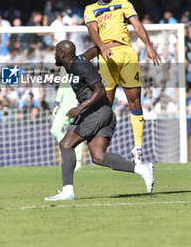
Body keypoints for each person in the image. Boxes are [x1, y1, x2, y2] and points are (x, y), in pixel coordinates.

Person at [44, 40, 154, 201]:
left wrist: (80, 108)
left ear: (62, 54)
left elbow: (101, 90)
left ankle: (68, 191)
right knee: (98, 156)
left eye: (55, 52)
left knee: (65, 144)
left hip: (94, 112)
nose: (54, 55)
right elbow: (94, 49)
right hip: (105, 113)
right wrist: (104, 43)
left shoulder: (80, 66)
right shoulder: (79, 60)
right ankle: (142, 169)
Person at [84, 0, 161, 163]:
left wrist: (149, 46)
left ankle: (138, 148)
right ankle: (101, 146)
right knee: (106, 107)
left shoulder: (123, 3)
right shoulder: (90, 9)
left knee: (135, 102)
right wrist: (102, 47)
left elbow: (137, 24)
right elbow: (93, 30)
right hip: (106, 57)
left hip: (127, 54)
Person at [50, 67, 83, 170]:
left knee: (77, 133)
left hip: (75, 106)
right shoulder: (63, 68)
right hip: (64, 106)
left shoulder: (79, 67)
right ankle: (69, 147)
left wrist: (80, 103)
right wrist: (57, 103)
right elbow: (62, 86)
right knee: (54, 130)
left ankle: (78, 161)